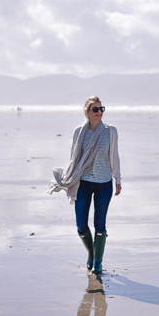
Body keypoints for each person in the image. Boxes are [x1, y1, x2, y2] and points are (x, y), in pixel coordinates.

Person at [48, 96, 121, 273]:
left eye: (101, 109)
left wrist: (117, 179)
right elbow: (74, 158)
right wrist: (69, 178)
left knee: (100, 225)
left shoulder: (110, 131)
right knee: (81, 225)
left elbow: (115, 156)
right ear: (87, 112)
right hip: (84, 183)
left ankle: (98, 261)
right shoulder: (79, 132)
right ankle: (91, 252)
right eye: (95, 109)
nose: (99, 112)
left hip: (104, 183)